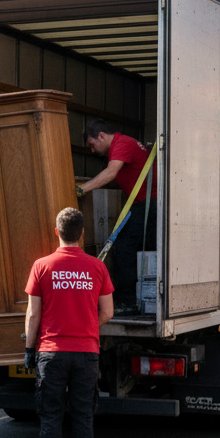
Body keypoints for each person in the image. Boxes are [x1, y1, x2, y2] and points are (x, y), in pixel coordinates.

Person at [24, 207, 116, 438]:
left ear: (56, 232)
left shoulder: (41, 266)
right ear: (82, 233)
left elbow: (33, 314)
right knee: (82, 419)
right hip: (86, 353)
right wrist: (87, 324)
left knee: (50, 420)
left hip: (51, 353)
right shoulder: (97, 267)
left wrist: (29, 348)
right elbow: (108, 312)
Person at [78, 120, 155, 314]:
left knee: (123, 250)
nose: (93, 151)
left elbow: (110, 174)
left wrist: (81, 189)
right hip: (146, 205)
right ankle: (135, 300)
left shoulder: (122, 144)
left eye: (92, 145)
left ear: (102, 136)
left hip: (148, 206)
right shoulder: (124, 144)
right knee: (132, 249)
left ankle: (127, 302)